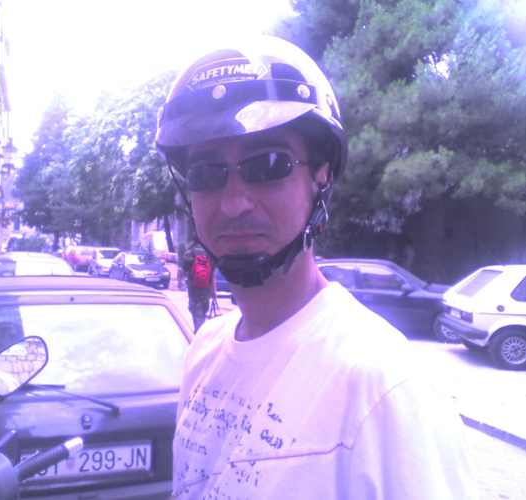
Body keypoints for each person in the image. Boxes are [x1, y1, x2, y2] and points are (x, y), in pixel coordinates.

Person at [155, 35, 478, 499]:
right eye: (206, 175)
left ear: (321, 177)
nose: (234, 203)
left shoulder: (385, 388)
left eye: (268, 165)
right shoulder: (203, 352)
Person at [181, 240, 216, 332]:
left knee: (196, 309)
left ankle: (199, 331)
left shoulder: (189, 253)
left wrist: (179, 282)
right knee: (204, 309)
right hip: (207, 287)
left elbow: (182, 270)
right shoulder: (210, 254)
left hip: (194, 287)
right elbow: (213, 275)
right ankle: (201, 328)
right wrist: (214, 290)